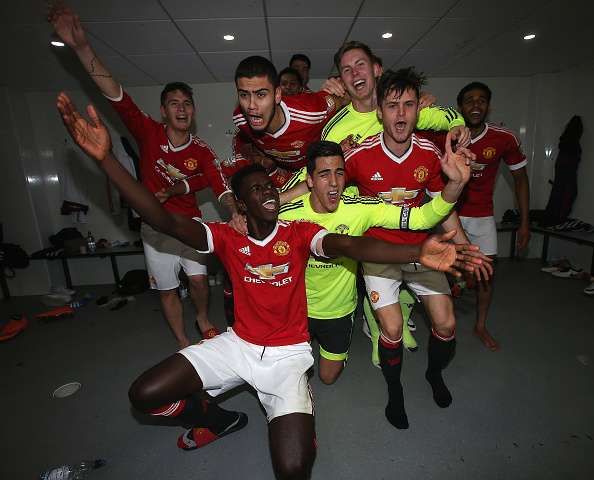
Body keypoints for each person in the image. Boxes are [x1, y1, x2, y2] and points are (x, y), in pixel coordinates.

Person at [56, 92, 486, 480]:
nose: (267, 193)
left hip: (287, 357)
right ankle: (218, 419)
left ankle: (298, 400)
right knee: (144, 395)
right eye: (256, 189)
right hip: (238, 346)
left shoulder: (298, 232)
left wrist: (416, 253)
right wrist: (106, 160)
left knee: (293, 468)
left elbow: (347, 242)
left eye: (270, 187)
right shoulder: (225, 237)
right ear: (240, 204)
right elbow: (161, 217)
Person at [50, 4, 242, 348]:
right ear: (163, 111)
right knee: (167, 290)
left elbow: (220, 186)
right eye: (174, 103)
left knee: (199, 284)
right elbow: (116, 96)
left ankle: (201, 318)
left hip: (188, 226)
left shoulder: (202, 151)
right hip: (155, 230)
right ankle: (183, 339)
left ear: (193, 112)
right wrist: (82, 48)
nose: (181, 108)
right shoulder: (148, 133)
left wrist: (234, 210)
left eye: (187, 103)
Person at [279, 140, 490, 385]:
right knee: (290, 374)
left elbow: (421, 217)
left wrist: (455, 184)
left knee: (327, 377)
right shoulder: (288, 215)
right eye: (324, 174)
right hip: (297, 309)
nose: (334, 183)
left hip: (338, 310)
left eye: (339, 173)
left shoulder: (360, 207)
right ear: (311, 181)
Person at [341, 68, 475, 429]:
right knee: (393, 329)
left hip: (422, 252)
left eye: (408, 105)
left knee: (446, 324)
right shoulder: (358, 156)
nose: (400, 114)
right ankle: (394, 391)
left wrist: (466, 248)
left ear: (418, 110)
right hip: (380, 257)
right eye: (392, 105)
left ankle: (434, 374)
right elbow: (322, 189)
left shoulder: (432, 154)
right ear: (379, 112)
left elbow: (442, 208)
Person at [456, 82, 530, 351]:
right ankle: (445, 316)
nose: (475, 105)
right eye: (469, 100)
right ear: (460, 107)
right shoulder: (446, 135)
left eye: (481, 100)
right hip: (449, 215)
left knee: (486, 274)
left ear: (488, 106)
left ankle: (480, 325)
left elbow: (520, 179)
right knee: (444, 272)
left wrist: (524, 222)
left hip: (482, 216)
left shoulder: (503, 138)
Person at [232, 55, 349, 172]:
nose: (251, 105)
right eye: (244, 95)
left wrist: (339, 84)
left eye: (261, 94)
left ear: (277, 94)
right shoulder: (240, 119)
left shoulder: (310, 112)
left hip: (316, 169)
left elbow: (345, 94)